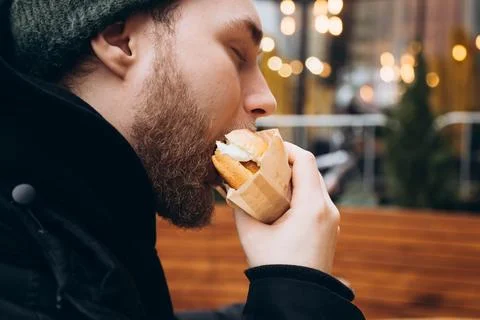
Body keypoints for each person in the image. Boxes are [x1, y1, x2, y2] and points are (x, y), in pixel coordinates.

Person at [0, 0, 365, 319]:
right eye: (238, 53)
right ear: (119, 40)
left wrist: (283, 292)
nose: (265, 99)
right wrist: (297, 291)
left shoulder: (89, 215)